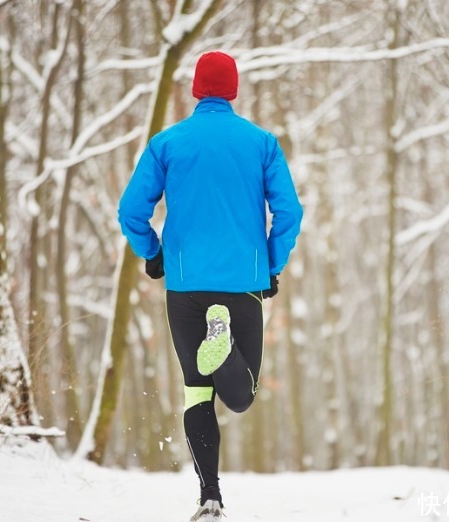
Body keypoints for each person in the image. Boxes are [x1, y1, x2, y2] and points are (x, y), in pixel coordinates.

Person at [118, 51, 303, 522]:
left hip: (186, 288)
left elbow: (130, 212)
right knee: (241, 396)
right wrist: (272, 262)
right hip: (243, 285)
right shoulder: (261, 143)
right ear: (233, 89)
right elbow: (290, 212)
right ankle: (221, 347)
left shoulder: (167, 143)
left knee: (197, 393)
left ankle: (210, 498)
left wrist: (154, 254)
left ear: (197, 89)